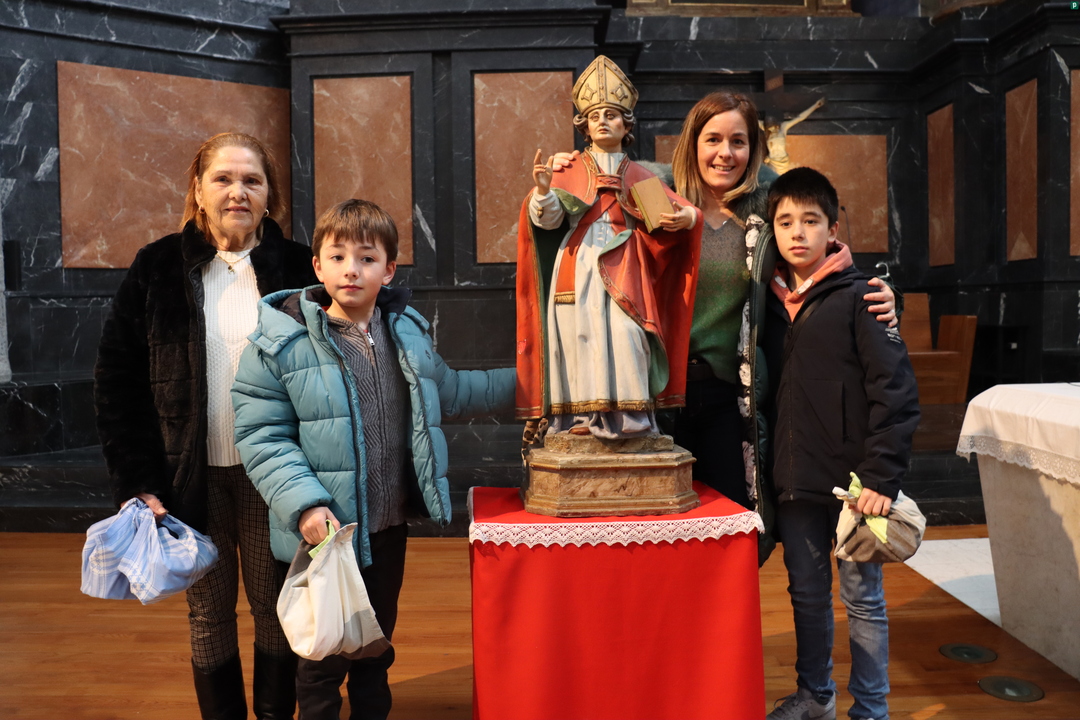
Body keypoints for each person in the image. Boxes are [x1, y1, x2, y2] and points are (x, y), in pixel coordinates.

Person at [230, 199, 515, 720]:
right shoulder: (280, 343)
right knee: (322, 660)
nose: (351, 270)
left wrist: (534, 381)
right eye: (337, 257)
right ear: (317, 266)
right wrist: (306, 505)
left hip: (386, 527)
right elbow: (262, 436)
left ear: (389, 271)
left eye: (366, 258)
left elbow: (451, 391)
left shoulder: (404, 333)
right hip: (325, 533)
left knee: (375, 647)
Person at [94, 132, 316, 719]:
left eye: (252, 181)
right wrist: (138, 482)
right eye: (223, 179)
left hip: (274, 477)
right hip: (189, 479)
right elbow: (118, 382)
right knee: (209, 613)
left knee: (275, 607)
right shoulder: (156, 267)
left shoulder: (302, 267)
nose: (237, 192)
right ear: (198, 190)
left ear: (269, 195)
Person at [662, 90, 896, 533]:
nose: (725, 153)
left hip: (730, 393)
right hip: (660, 392)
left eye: (738, 141)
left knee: (731, 524)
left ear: (752, 149)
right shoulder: (662, 203)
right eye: (713, 139)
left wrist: (882, 293)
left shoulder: (767, 213)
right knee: (661, 527)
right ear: (693, 143)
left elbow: (821, 249)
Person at [762, 167, 920, 720]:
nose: (797, 232)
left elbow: (896, 391)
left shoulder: (863, 297)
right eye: (785, 222)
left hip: (855, 484)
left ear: (833, 229)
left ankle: (871, 708)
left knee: (862, 598)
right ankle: (815, 696)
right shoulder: (765, 304)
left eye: (811, 221)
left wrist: (880, 477)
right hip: (794, 478)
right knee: (806, 593)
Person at [516, 54, 702, 440]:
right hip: (579, 260)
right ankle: (581, 418)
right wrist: (544, 191)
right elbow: (546, 220)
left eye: (612, 115)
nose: (603, 121)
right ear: (584, 125)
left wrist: (687, 217)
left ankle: (631, 419)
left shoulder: (640, 175)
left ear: (626, 124)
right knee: (581, 336)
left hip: (627, 263)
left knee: (628, 334)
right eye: (595, 115)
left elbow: (675, 214)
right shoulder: (567, 169)